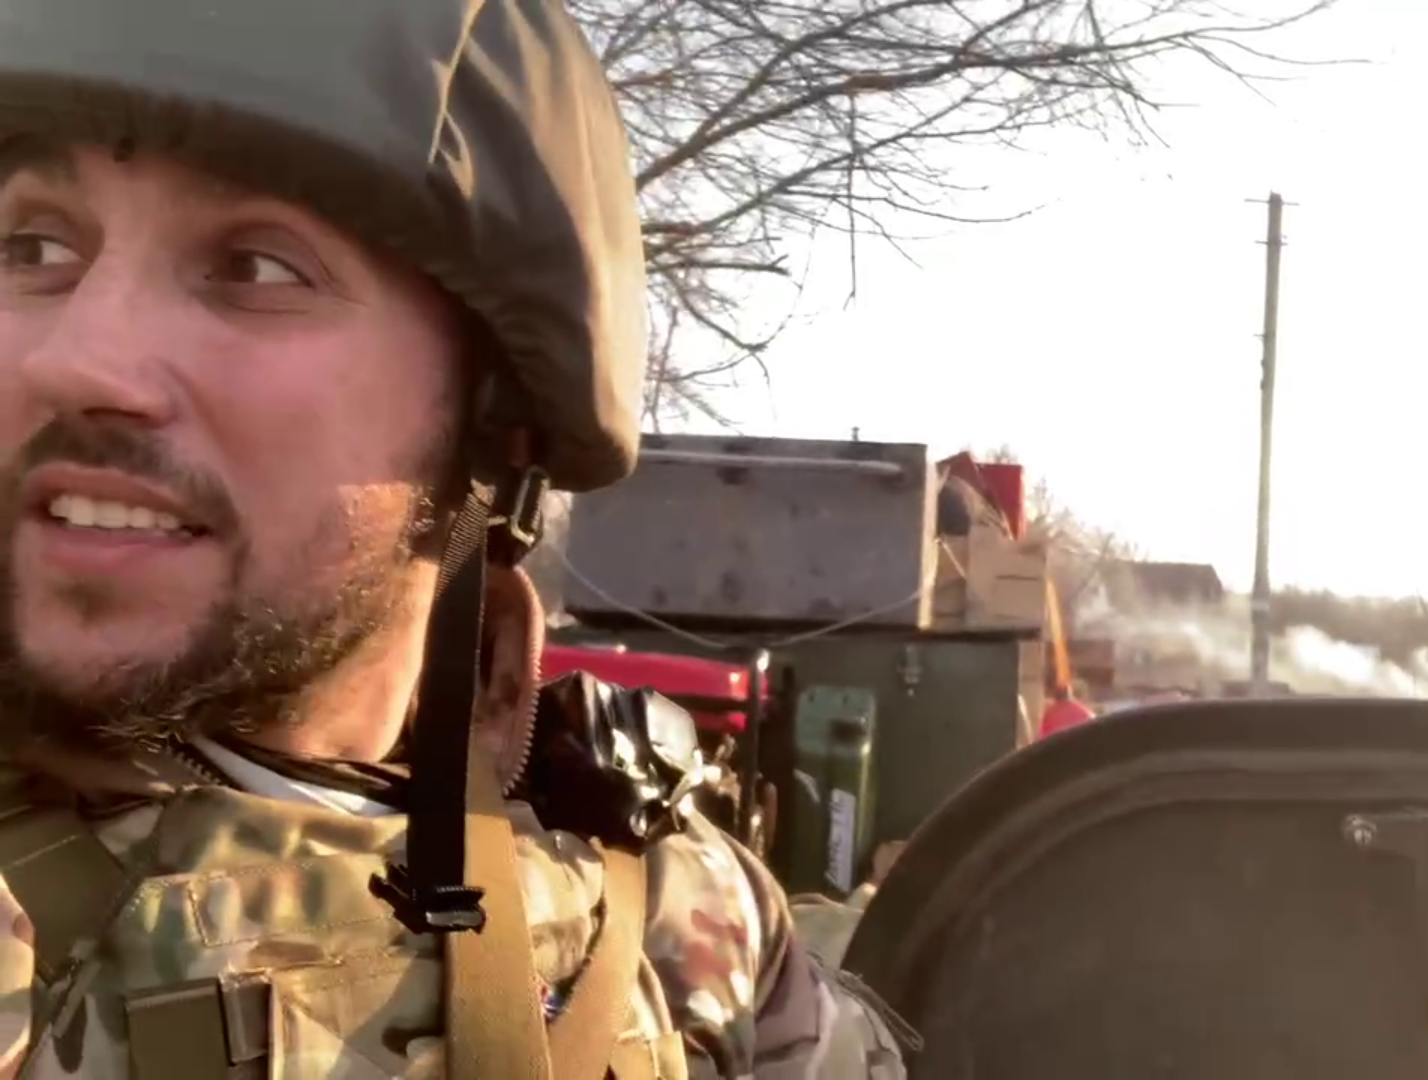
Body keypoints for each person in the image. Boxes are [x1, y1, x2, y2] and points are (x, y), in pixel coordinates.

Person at [0, 1, 908, 1077]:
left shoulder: (689, 926)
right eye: (33, 247)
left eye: (256, 267)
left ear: (494, 418)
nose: (77, 359)